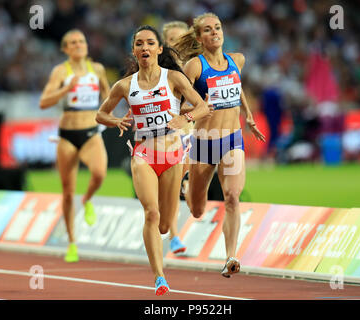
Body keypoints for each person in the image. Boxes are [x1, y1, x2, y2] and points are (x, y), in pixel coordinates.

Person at [96, 25, 211, 296]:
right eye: (139, 44)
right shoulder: (124, 85)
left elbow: (203, 106)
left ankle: (167, 237)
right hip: (144, 154)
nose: (144, 48)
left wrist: (186, 118)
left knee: (164, 223)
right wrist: (115, 120)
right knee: (151, 213)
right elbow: (100, 115)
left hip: (172, 156)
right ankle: (160, 277)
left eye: (150, 43)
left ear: (159, 49)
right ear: (134, 51)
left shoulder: (173, 78)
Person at [173, 12, 266, 278]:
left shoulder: (237, 60)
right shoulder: (195, 67)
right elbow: (180, 105)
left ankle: (230, 256)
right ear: (199, 37)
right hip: (204, 142)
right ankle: (189, 182)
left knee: (232, 197)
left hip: (233, 139)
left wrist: (248, 115)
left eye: (218, 27)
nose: (215, 32)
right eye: (207, 30)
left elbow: (237, 87)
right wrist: (199, 108)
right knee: (197, 209)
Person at [39, 29, 110, 263]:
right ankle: (72, 242)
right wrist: (65, 90)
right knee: (67, 192)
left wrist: (110, 115)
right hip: (67, 134)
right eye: (73, 42)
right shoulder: (61, 71)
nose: (78, 45)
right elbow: (44, 102)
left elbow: (109, 95)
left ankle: (88, 199)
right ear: (65, 49)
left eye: (81, 41)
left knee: (99, 174)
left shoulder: (97, 69)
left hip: (90, 132)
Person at [161, 20, 190, 255]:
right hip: (173, 132)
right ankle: (174, 235)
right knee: (175, 187)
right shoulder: (162, 72)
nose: (178, 44)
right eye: (172, 40)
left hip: (198, 132)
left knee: (190, 189)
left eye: (182, 39)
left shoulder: (198, 65)